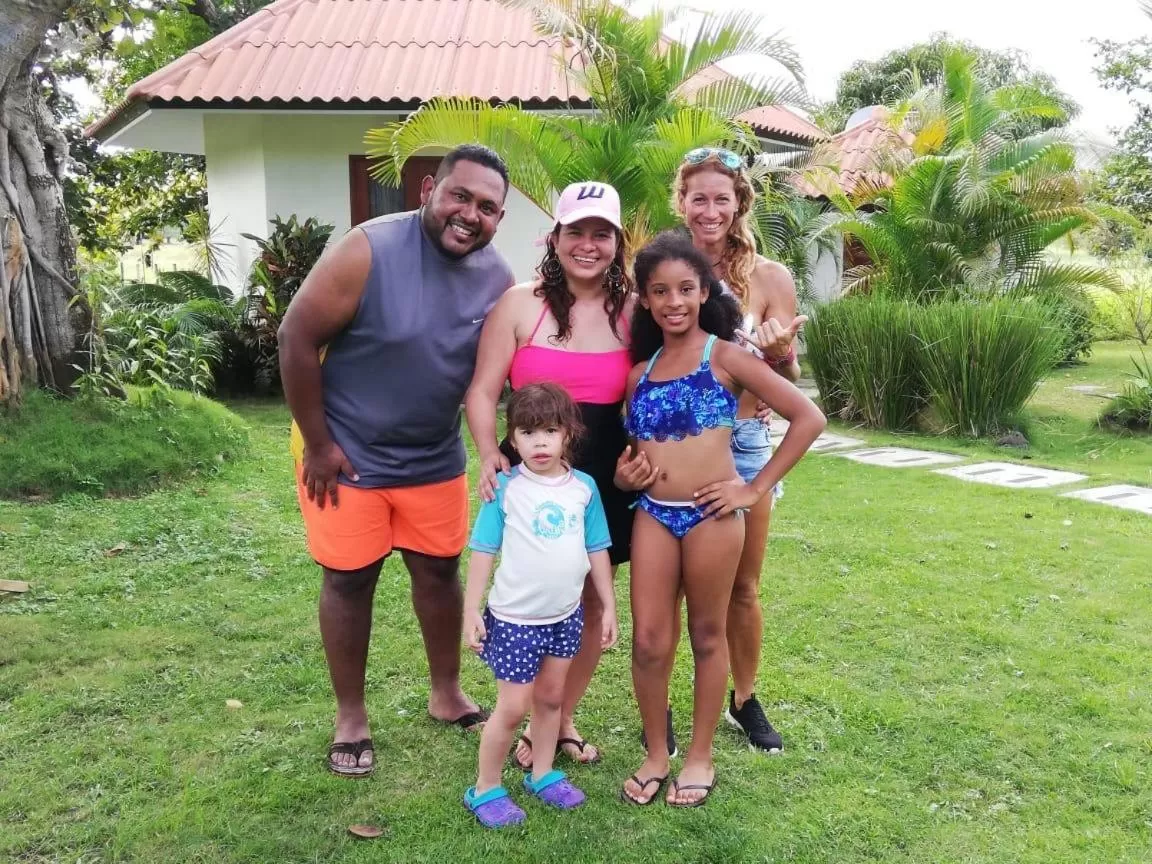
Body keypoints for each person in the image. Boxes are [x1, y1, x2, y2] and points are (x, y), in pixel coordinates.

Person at [278, 144, 517, 778]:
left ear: (502, 216)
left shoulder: (498, 278)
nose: (470, 214)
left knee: (438, 574)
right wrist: (321, 443)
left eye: (487, 207)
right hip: (346, 456)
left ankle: (446, 694)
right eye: (459, 197)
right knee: (350, 579)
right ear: (429, 190)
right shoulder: (369, 249)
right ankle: (351, 716)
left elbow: (500, 373)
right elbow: (295, 337)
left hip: (434, 459)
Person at [619, 231, 825, 807]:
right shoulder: (640, 373)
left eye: (686, 288)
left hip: (713, 517)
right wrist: (622, 478)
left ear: (706, 290)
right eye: (659, 291)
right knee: (650, 643)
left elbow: (807, 416)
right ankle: (657, 752)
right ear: (645, 299)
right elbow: (635, 454)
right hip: (655, 517)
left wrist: (753, 487)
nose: (674, 301)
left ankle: (700, 756)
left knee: (708, 637)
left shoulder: (728, 356)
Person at [464, 180, 656, 769]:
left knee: (592, 598)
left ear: (618, 243)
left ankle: (559, 718)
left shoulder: (634, 312)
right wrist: (487, 453)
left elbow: (668, 375)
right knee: (527, 583)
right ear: (556, 236)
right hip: (528, 468)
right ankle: (522, 715)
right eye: (577, 231)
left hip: (602, 475)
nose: (589, 245)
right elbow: (482, 390)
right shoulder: (520, 303)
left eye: (603, 234)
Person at [672, 146, 807, 752]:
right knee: (669, 585)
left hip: (746, 443)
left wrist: (778, 352)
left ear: (739, 202)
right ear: (682, 201)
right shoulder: (661, 265)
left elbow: (790, 378)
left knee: (743, 587)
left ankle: (744, 699)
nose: (709, 210)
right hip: (675, 440)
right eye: (697, 197)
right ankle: (664, 702)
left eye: (720, 197)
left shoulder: (771, 279)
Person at [461, 383, 618, 828]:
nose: (540, 442)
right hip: (515, 621)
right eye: (528, 433)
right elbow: (482, 550)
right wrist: (472, 610)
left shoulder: (584, 489)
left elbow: (598, 550)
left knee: (551, 700)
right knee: (512, 710)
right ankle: (486, 787)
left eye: (550, 430)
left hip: (565, 617)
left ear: (569, 433)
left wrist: (607, 606)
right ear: (512, 440)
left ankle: (543, 773)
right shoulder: (506, 487)